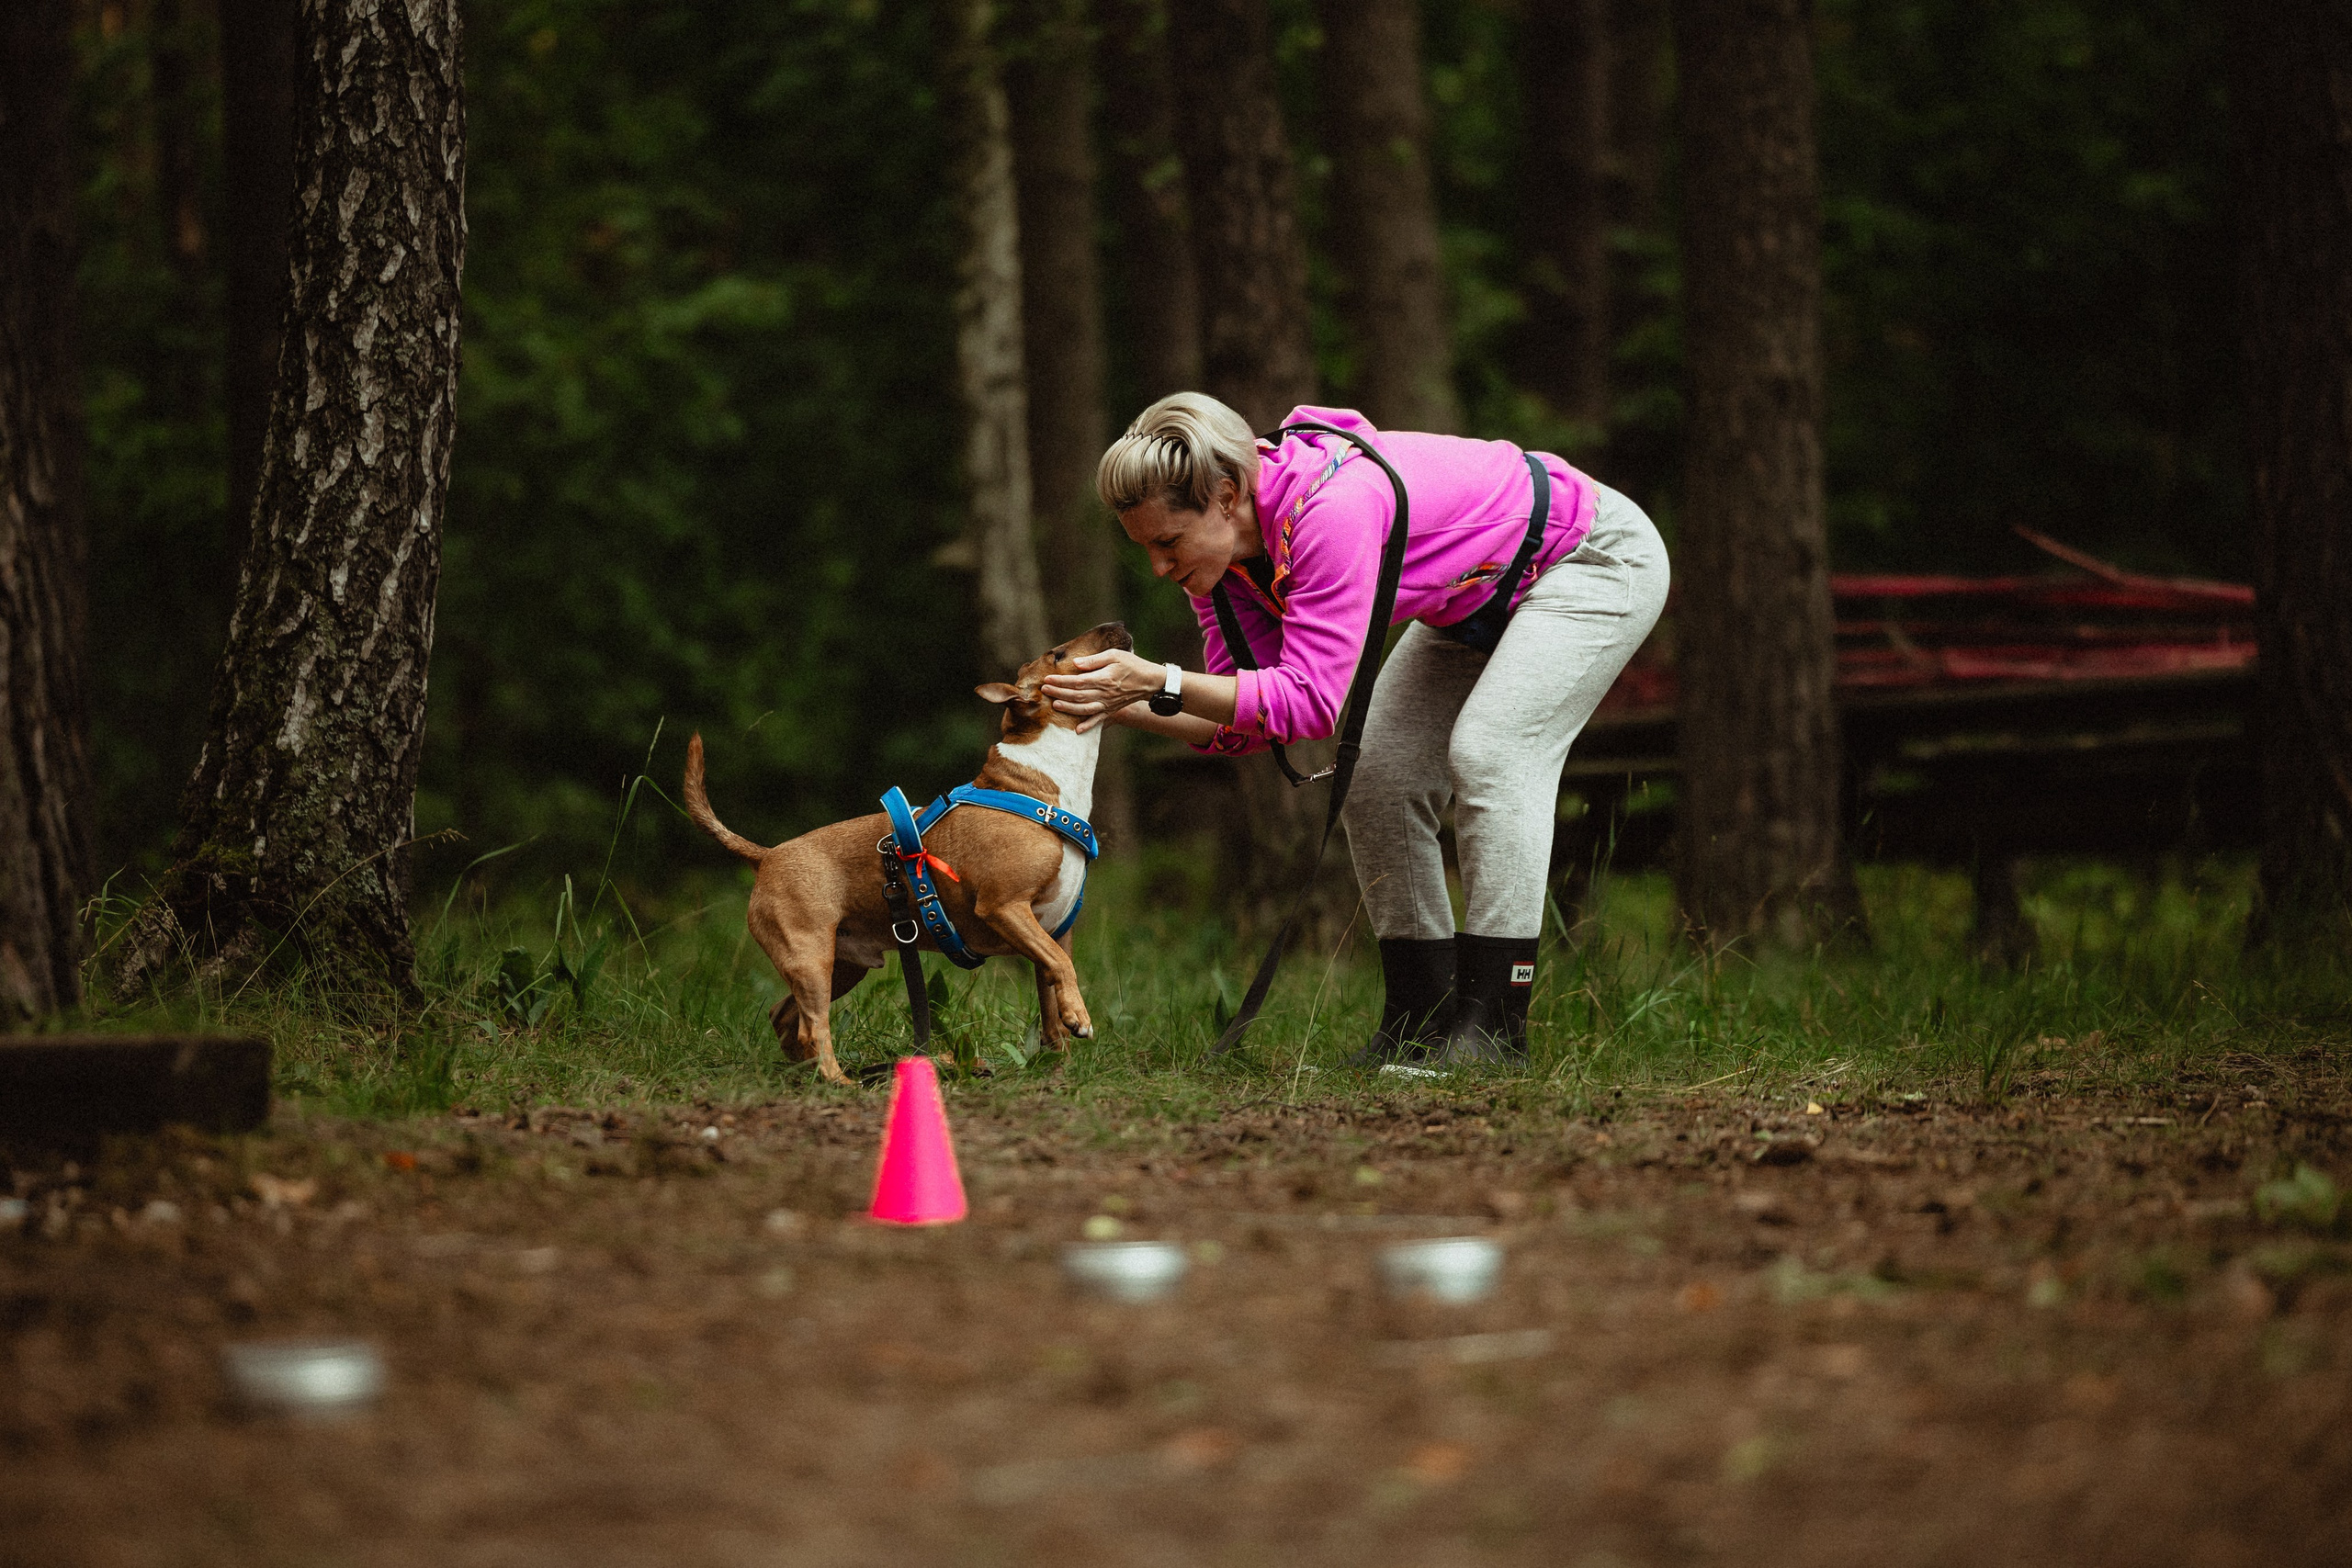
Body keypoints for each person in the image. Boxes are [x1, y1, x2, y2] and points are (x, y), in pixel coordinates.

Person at [1040, 392, 1668, 1066]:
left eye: (1168, 542)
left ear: (1225, 495)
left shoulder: (1330, 511)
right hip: (1472, 599)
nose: (1161, 568)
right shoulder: (1220, 568)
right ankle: (1420, 1020)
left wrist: (1157, 680)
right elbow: (1251, 719)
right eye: (1147, 549)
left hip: (1590, 559)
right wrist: (1115, 703)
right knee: (1377, 770)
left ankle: (1494, 1027)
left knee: (1492, 752)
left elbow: (1310, 703)